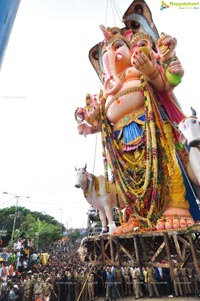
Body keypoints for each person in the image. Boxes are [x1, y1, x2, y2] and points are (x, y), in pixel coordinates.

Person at [75, 4, 198, 232]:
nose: (111, 54)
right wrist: (89, 124)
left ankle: (176, 207)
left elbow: (165, 83)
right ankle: (135, 216)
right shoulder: (108, 89)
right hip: (122, 142)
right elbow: (103, 120)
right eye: (105, 53)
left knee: (164, 164)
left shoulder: (139, 69)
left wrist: (153, 69)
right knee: (131, 179)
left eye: (118, 46)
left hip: (152, 130)